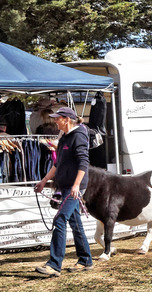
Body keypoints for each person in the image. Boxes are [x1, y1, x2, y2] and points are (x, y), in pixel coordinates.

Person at [34, 107, 93, 277]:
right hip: (66, 185)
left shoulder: (78, 136)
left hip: (74, 187)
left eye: (57, 118)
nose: (54, 121)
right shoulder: (65, 137)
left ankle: (54, 265)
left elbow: (83, 163)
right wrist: (44, 181)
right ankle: (85, 260)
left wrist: (76, 186)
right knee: (75, 223)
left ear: (66, 119)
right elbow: (57, 163)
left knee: (60, 219)